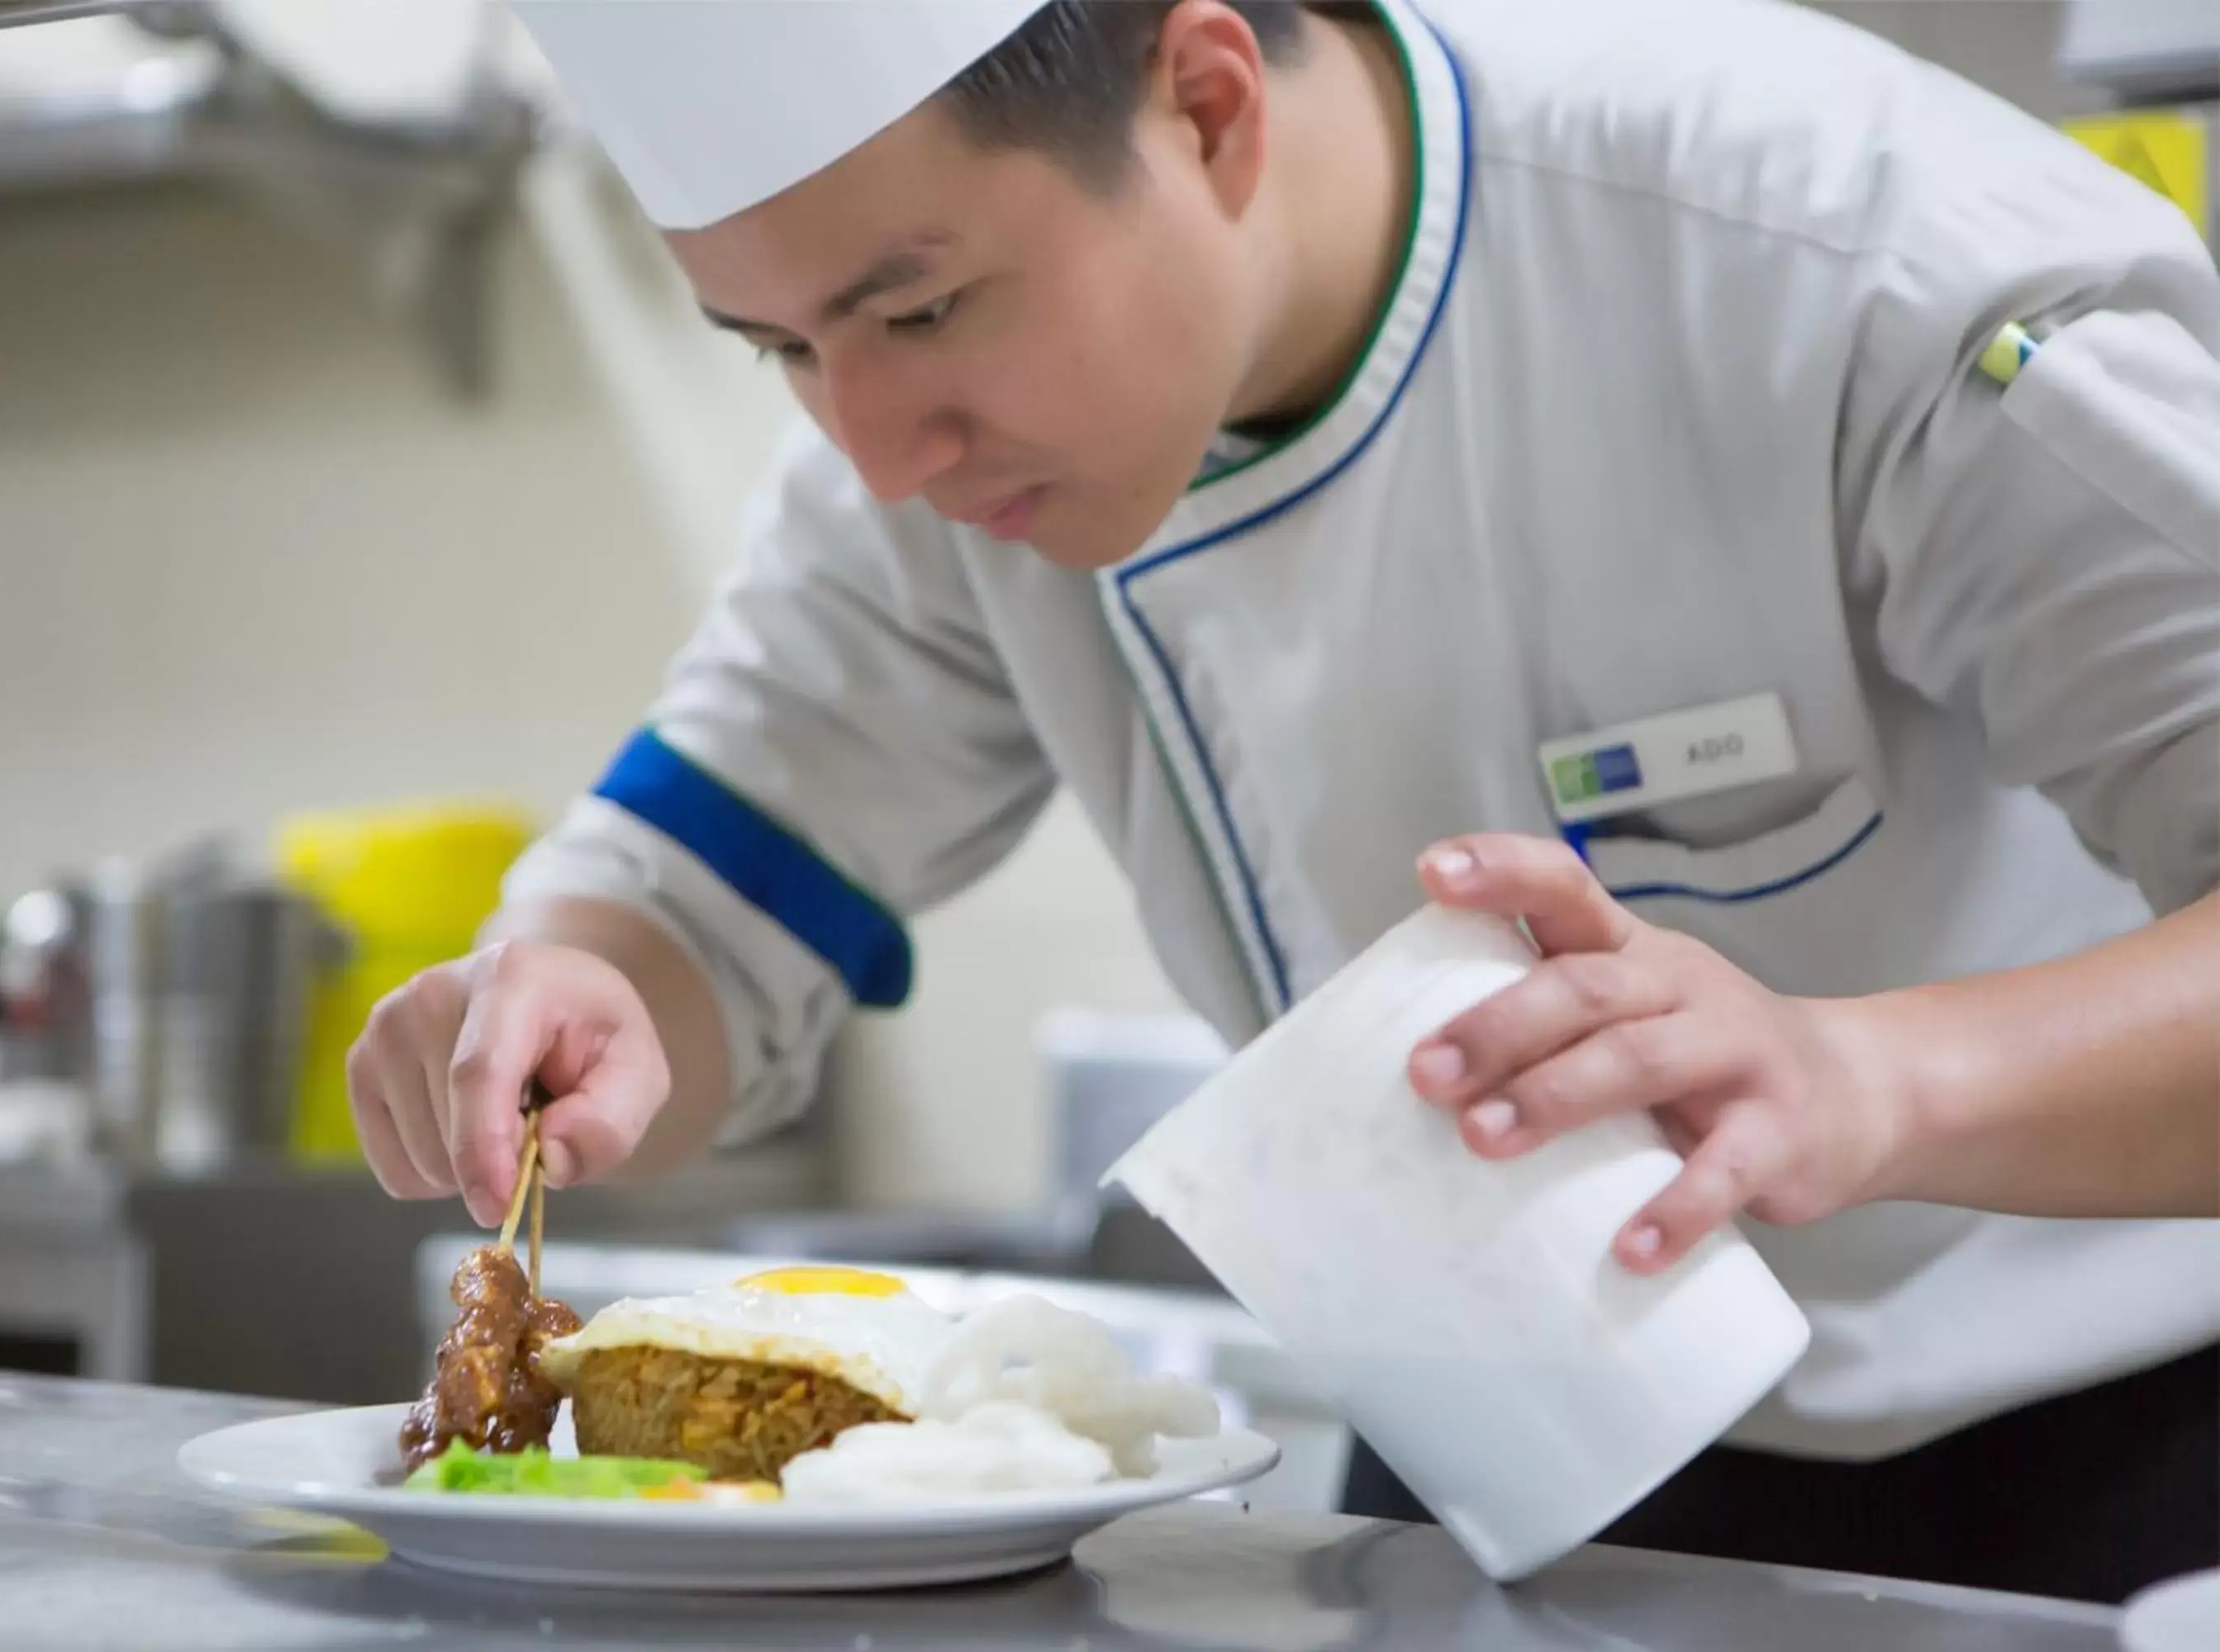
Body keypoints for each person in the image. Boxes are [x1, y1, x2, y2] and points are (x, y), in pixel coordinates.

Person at [347, 0, 2220, 1602]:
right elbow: (696, 902)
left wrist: (1872, 1081)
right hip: (1488, 1491)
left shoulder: (1832, 259)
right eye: (777, 351)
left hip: (2117, 1478)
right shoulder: (915, 464)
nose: (876, 455)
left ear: (1211, 101)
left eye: (916, 311)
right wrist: (571, 988)